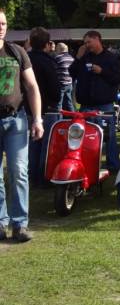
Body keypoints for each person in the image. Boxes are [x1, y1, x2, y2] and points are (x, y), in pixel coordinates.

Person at [0, 8, 44, 242]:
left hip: (16, 119)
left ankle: (19, 224)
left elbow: (32, 87)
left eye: (4, 23)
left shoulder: (17, 52)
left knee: (18, 171)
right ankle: (0, 222)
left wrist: (37, 118)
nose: (1, 27)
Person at [69, 30, 120, 171]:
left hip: (104, 105)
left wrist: (102, 72)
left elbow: (119, 79)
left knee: (109, 137)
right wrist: (78, 57)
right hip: (86, 106)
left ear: (97, 39)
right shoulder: (84, 57)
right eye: (85, 43)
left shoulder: (111, 58)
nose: (87, 45)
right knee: (85, 138)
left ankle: (113, 165)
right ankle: (87, 165)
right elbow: (72, 73)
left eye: (88, 42)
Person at [26, 27, 61, 186]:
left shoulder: (24, 58)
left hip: (27, 108)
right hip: (47, 109)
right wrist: (55, 100)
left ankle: (32, 177)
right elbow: (55, 87)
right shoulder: (48, 62)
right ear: (47, 44)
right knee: (47, 146)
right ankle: (42, 178)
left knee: (32, 145)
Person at [54, 42, 74, 111]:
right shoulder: (71, 58)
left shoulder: (58, 58)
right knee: (69, 102)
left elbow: (53, 69)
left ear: (59, 49)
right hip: (69, 83)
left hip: (61, 83)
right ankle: (74, 117)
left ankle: (59, 120)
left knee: (58, 104)